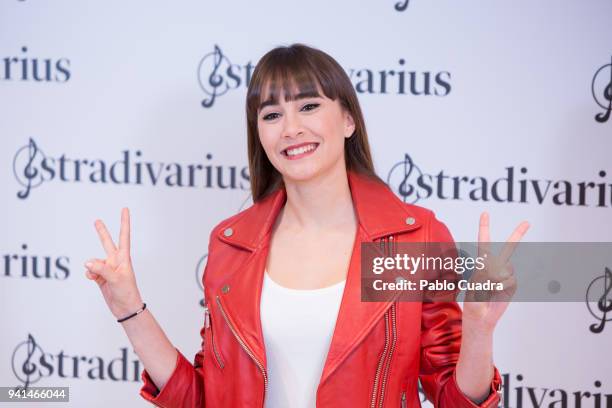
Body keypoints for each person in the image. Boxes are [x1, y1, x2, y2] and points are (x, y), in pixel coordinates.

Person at [85, 43, 529, 407]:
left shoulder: (409, 240)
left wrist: (479, 332)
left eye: (309, 106)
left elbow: (456, 400)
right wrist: (130, 309)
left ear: (349, 119)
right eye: (272, 115)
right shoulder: (233, 244)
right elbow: (206, 399)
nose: (291, 128)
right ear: (258, 133)